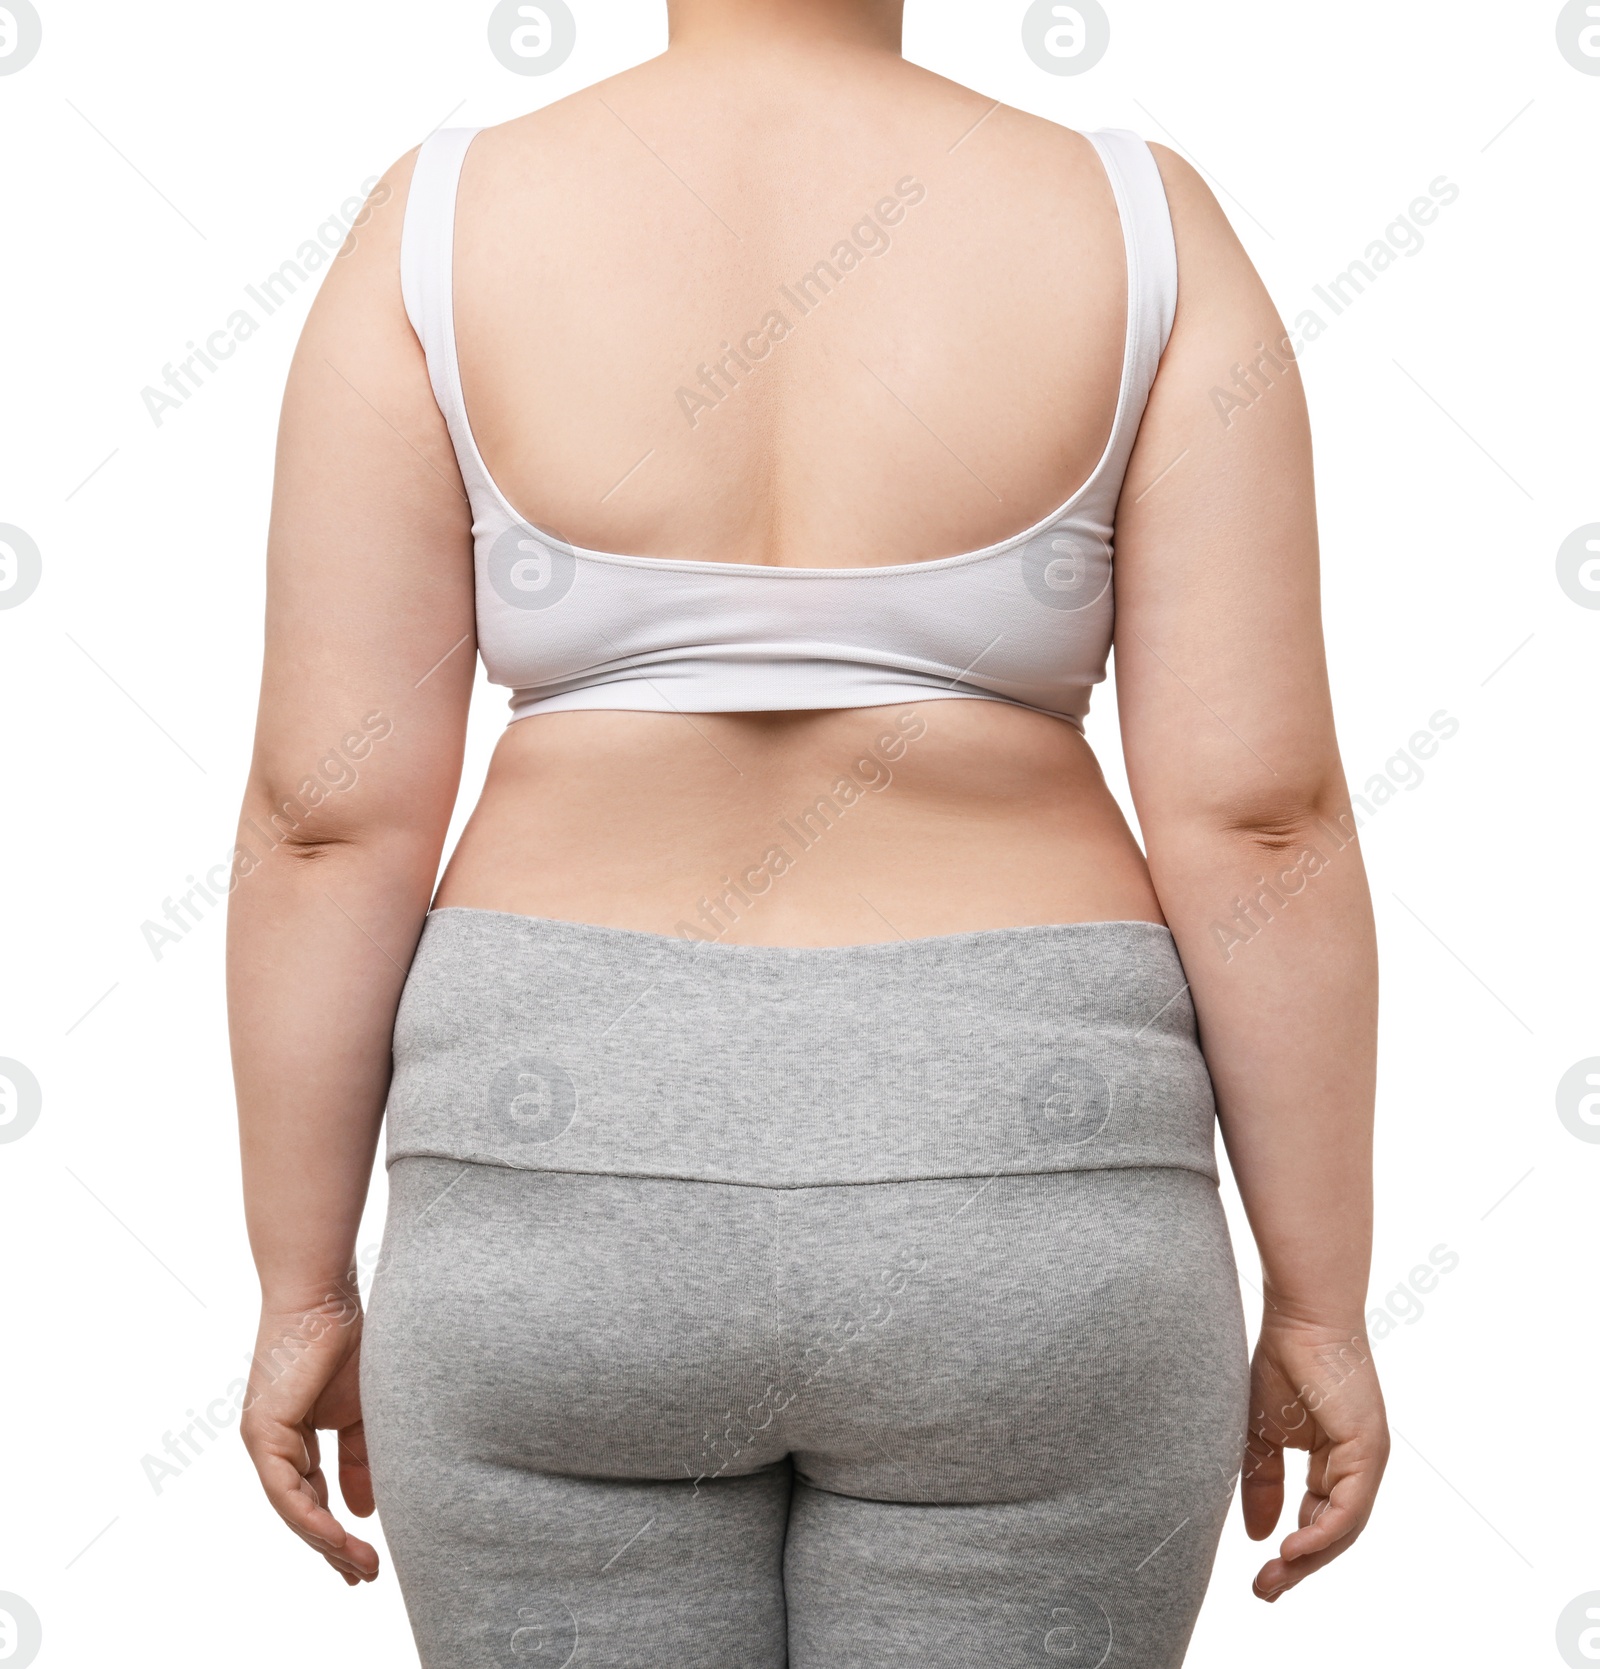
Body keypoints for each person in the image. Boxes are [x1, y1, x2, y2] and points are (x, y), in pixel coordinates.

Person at [228, 2, 1388, 1662]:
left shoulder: (441, 226)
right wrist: (1324, 1301)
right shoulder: (1135, 222)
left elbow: (325, 820)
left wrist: (305, 1286)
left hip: (555, 1190)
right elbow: (1260, 819)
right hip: (1029, 1197)